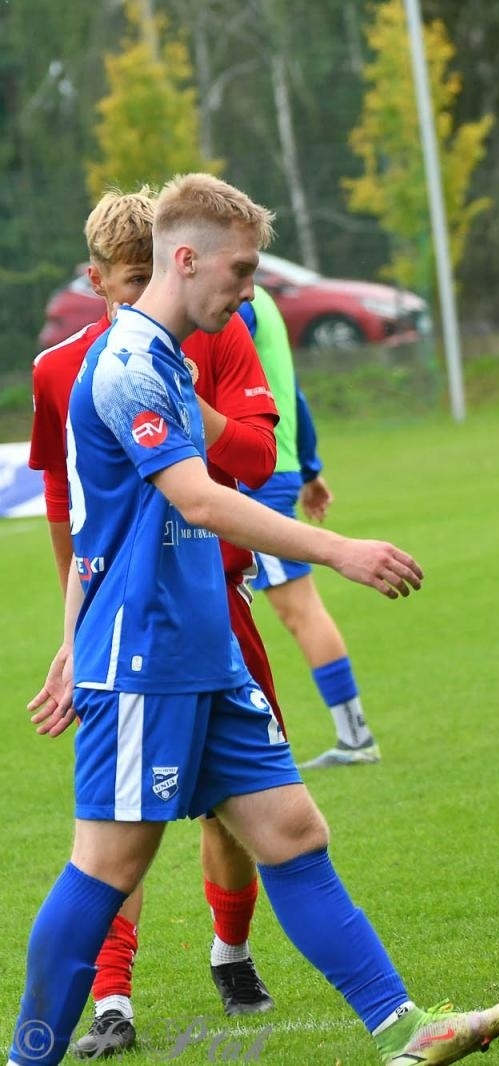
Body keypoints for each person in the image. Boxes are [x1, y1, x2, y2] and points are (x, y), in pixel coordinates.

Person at [9, 173, 499, 1066]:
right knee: (107, 867)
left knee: (292, 833)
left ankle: (406, 1030)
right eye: (242, 272)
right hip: (145, 657)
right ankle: (30, 1053)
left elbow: (213, 474)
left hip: (204, 650)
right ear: (186, 256)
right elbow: (197, 500)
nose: (251, 291)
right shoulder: (127, 364)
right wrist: (339, 550)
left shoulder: (167, 355)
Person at [27, 188, 280, 1056]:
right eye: (123, 283)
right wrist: (75, 636)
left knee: (247, 814)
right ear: (98, 279)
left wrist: (186, 407)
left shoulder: (212, 329)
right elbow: (70, 508)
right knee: (111, 831)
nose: (139, 300)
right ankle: (111, 997)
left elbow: (255, 455)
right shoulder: (66, 367)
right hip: (124, 624)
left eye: (149, 278)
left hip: (220, 600)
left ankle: (233, 952)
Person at [240, 285, 380, 769]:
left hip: (255, 475)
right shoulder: (259, 297)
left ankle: (355, 737)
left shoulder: (233, 303)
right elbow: (288, 388)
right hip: (274, 468)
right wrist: (311, 468)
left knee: (297, 608)